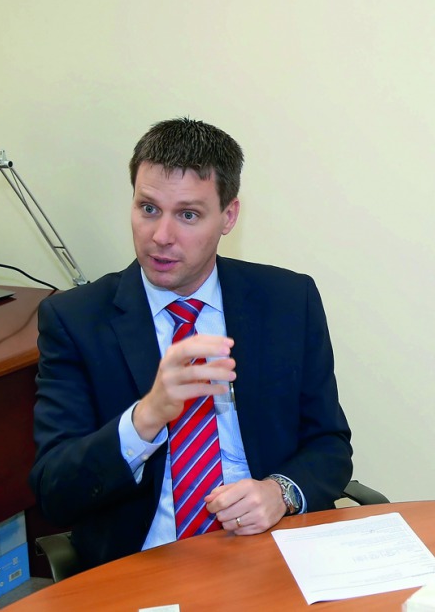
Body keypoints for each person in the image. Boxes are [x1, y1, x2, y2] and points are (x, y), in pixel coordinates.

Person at [30, 117, 353, 569]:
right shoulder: (76, 319)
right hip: (145, 564)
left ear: (229, 216)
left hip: (269, 550)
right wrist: (146, 417)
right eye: (148, 208)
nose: (161, 236)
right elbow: (55, 491)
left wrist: (279, 492)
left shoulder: (287, 301)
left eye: (188, 214)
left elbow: (329, 443)